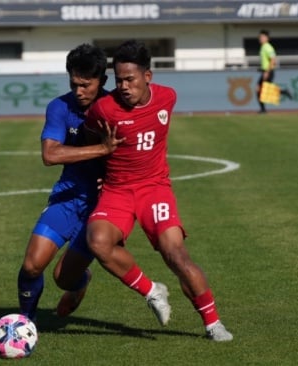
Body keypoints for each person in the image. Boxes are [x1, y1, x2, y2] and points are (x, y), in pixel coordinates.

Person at [84, 40, 233, 341]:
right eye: (119, 80)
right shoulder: (103, 109)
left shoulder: (167, 98)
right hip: (117, 190)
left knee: (176, 255)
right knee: (98, 243)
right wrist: (98, 172)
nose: (124, 87)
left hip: (155, 189)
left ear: (147, 77)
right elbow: (92, 143)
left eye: (130, 79)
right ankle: (152, 291)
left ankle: (213, 323)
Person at [17, 44, 124, 322]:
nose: (79, 91)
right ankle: (25, 322)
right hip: (67, 197)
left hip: (102, 208)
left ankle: (80, 283)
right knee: (31, 266)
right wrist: (102, 150)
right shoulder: (60, 107)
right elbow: (50, 154)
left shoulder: (116, 109)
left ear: (102, 81)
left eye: (86, 85)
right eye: (74, 83)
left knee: (63, 279)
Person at [256, 29, 292, 113]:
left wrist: (267, 72)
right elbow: (266, 61)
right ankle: (263, 109)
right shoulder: (263, 47)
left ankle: (263, 109)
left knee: (261, 89)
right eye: (260, 37)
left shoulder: (267, 47)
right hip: (265, 71)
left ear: (267, 38)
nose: (260, 38)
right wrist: (261, 68)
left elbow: (273, 60)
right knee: (262, 90)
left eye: (262, 37)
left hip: (268, 72)